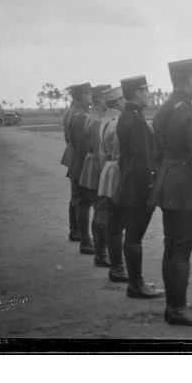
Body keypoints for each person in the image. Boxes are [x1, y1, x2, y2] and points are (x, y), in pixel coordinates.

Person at [151, 59, 192, 326]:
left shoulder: (163, 110)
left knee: (171, 244)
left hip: (168, 183)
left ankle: (172, 305)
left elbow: (158, 151)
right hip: (188, 185)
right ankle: (178, 309)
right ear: (189, 80)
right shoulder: (191, 113)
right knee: (182, 248)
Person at [113, 76, 165, 299]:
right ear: (137, 93)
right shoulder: (135, 121)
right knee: (134, 238)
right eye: (145, 90)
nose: (148, 94)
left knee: (132, 237)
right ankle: (136, 285)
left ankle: (136, 283)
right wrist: (150, 190)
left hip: (127, 185)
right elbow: (143, 163)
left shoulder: (126, 117)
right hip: (137, 189)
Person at [97, 85, 128, 283]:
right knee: (119, 224)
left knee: (112, 221)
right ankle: (119, 267)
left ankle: (116, 265)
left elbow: (101, 154)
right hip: (118, 172)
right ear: (118, 101)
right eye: (125, 99)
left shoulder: (104, 120)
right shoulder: (118, 123)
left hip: (107, 170)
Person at [79, 84, 112, 266]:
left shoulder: (92, 117)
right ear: (101, 99)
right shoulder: (97, 120)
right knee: (102, 211)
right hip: (96, 169)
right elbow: (100, 152)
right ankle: (101, 254)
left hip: (91, 166)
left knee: (99, 211)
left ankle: (100, 252)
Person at [66, 82, 96, 255]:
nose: (91, 96)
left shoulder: (72, 112)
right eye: (89, 93)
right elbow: (83, 145)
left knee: (77, 198)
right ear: (83, 95)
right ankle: (85, 241)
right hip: (81, 161)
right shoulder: (81, 115)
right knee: (84, 202)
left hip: (74, 158)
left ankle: (76, 231)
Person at [61, 85, 80, 242]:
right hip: (75, 155)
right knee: (78, 196)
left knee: (75, 195)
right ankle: (75, 231)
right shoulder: (76, 113)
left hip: (71, 153)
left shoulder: (69, 110)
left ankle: (75, 230)